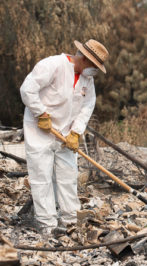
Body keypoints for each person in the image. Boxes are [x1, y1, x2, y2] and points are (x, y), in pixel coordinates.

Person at [20, 39, 109, 233]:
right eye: (94, 66)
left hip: (66, 133)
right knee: (41, 176)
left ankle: (70, 220)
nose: (94, 71)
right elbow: (27, 89)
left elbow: (87, 106)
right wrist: (41, 113)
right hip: (40, 129)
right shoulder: (53, 65)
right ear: (84, 59)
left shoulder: (88, 80)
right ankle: (47, 224)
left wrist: (76, 132)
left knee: (68, 176)